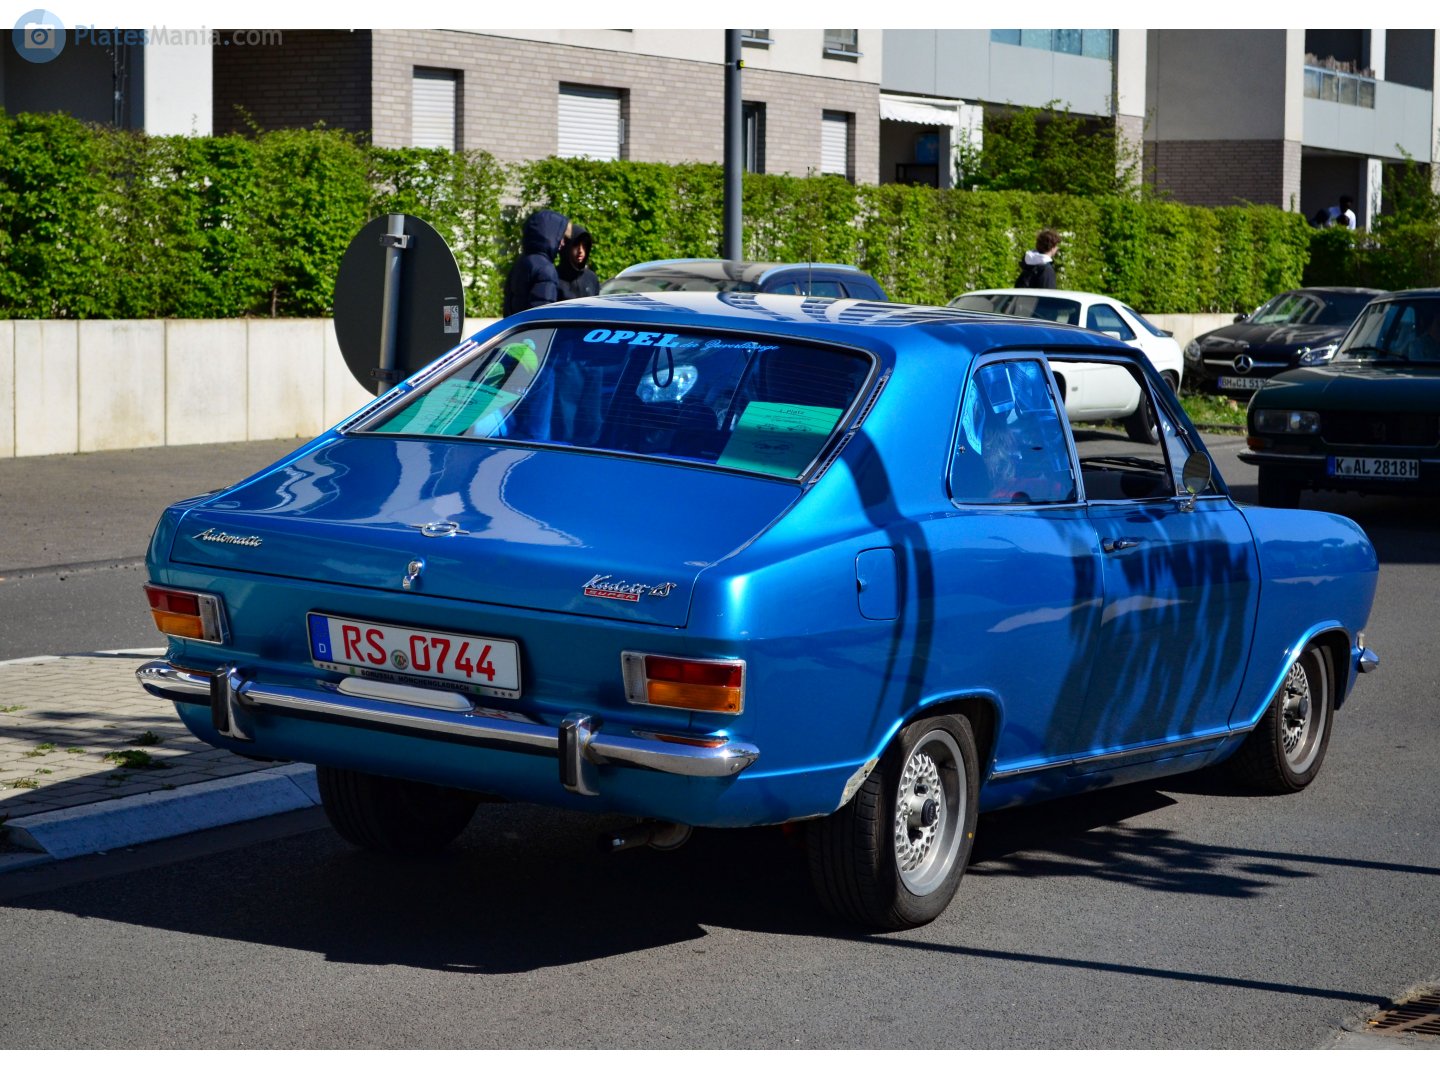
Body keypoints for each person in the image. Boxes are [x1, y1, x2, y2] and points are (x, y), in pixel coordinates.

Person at [503, 209, 571, 317]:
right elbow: (542, 314)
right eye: (560, 237)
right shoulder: (545, 269)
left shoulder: (521, 262)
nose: (562, 242)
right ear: (550, 235)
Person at [555, 223, 600, 301]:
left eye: (584, 245)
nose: (580, 251)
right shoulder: (554, 277)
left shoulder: (591, 278)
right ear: (567, 247)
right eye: (575, 245)